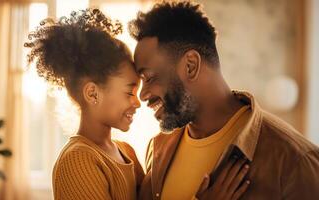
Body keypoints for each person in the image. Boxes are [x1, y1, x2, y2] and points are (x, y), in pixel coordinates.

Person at [25, 8, 249, 200]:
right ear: (93, 93)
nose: (138, 100)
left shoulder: (126, 152)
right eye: (128, 92)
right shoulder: (78, 160)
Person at [128, 1, 319, 200]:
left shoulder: (295, 161)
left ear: (190, 66)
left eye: (149, 78)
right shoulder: (159, 149)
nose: (142, 95)